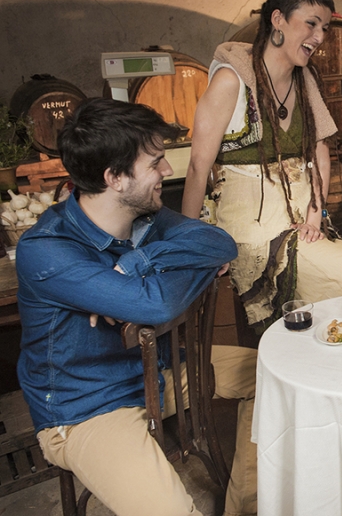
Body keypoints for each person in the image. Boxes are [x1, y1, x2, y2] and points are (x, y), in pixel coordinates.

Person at [16, 98, 257, 516]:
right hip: (90, 405)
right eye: (155, 162)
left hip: (157, 370)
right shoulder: (46, 251)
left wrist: (138, 263)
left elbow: (220, 243)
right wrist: (191, 270)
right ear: (115, 178)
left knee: (270, 377)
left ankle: (245, 506)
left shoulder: (144, 219)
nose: (166, 171)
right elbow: (159, 304)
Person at [184, 0, 342, 332]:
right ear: (278, 19)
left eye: (324, 28)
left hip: (303, 225)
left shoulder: (304, 80)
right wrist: (189, 246)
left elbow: (320, 151)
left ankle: (338, 356)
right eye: (311, 23)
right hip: (254, 230)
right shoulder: (231, 82)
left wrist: (315, 215)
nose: (319, 36)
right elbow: (197, 167)